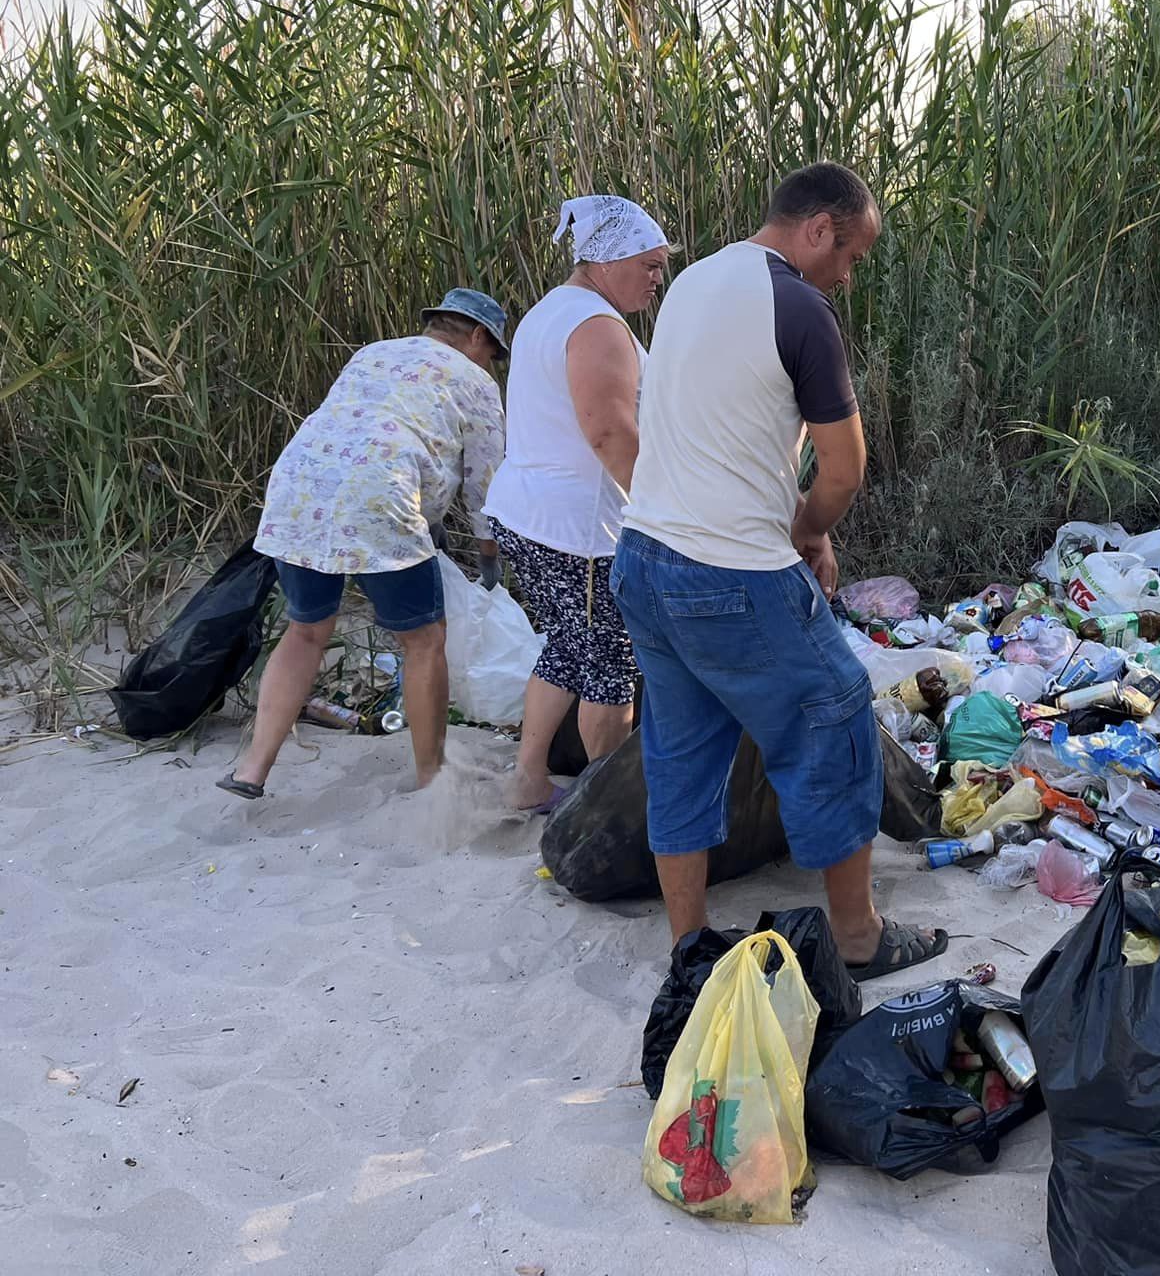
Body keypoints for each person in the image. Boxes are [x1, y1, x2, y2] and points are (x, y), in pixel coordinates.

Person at [609, 162, 948, 979]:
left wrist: (796, 526)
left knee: (681, 751)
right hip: (731, 574)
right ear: (820, 229)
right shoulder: (800, 305)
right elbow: (844, 469)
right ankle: (860, 938)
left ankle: (690, 947)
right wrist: (806, 530)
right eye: (853, 255)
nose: (849, 275)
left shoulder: (694, 281)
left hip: (644, 559)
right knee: (835, 723)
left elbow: (744, 417)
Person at [220, 289, 510, 799]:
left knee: (306, 631)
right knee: (424, 642)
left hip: (298, 486)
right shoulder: (476, 380)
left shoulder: (373, 351)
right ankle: (430, 777)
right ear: (477, 335)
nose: (492, 362)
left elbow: (370, 426)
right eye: (493, 351)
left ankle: (251, 770)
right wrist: (490, 560)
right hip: (380, 495)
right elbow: (485, 483)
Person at [485, 195, 671, 812]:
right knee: (611, 666)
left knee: (569, 644)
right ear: (606, 260)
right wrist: (661, 513)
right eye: (648, 263)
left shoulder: (551, 312)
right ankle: (606, 811)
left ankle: (528, 779)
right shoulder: (596, 326)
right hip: (579, 532)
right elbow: (610, 434)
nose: (657, 276)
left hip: (527, 515)